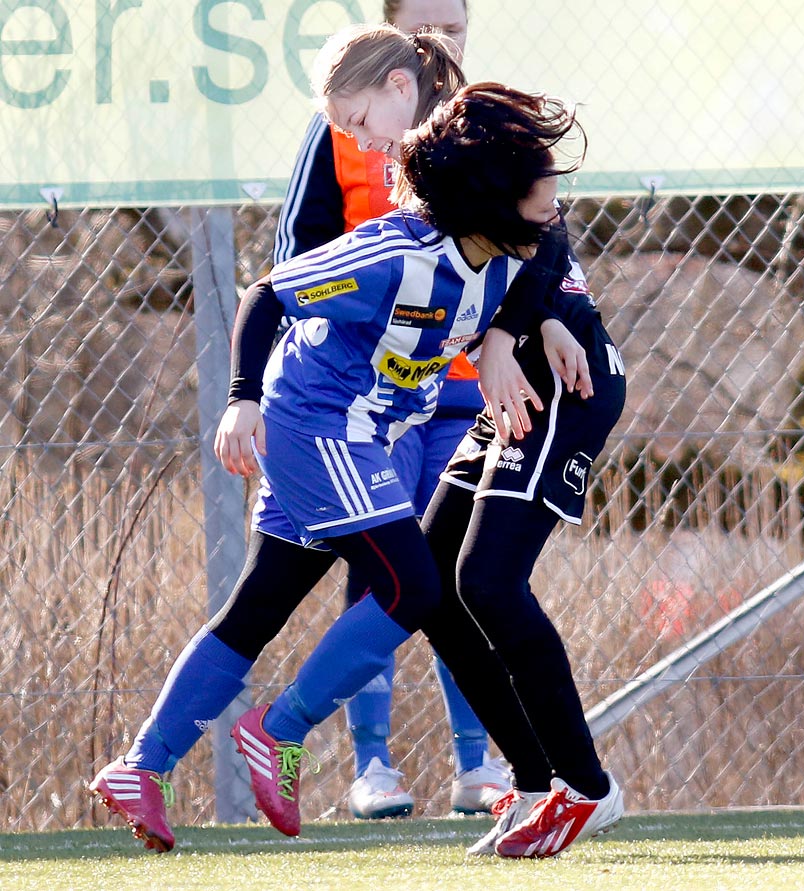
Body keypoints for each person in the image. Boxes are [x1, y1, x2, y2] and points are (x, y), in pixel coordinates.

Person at [87, 30, 581, 852]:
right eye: (536, 196)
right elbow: (267, 292)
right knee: (413, 586)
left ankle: (142, 764)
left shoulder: (505, 250)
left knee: (262, 602)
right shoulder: (395, 251)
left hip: (356, 429)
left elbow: (549, 253)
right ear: (493, 199)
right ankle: (279, 732)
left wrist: (525, 330)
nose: (551, 208)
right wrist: (241, 400)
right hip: (317, 423)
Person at [308, 24, 629, 859]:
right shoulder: (424, 163)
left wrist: (520, 330)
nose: (355, 139)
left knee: (487, 579)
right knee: (432, 587)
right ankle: (532, 779)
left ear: (396, 88)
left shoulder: (463, 147)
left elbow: (545, 235)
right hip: (516, 377)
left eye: (357, 119)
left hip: (561, 385)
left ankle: (586, 787)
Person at [275, 0, 505, 820]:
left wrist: (514, 339)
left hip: (466, 391)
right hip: (375, 399)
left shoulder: (486, 121)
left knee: (462, 571)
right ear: (392, 32)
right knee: (383, 565)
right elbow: (293, 258)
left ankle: (478, 765)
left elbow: (530, 241)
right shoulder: (348, 122)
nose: (445, 33)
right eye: (428, 19)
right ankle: (372, 765)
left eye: (458, 19)